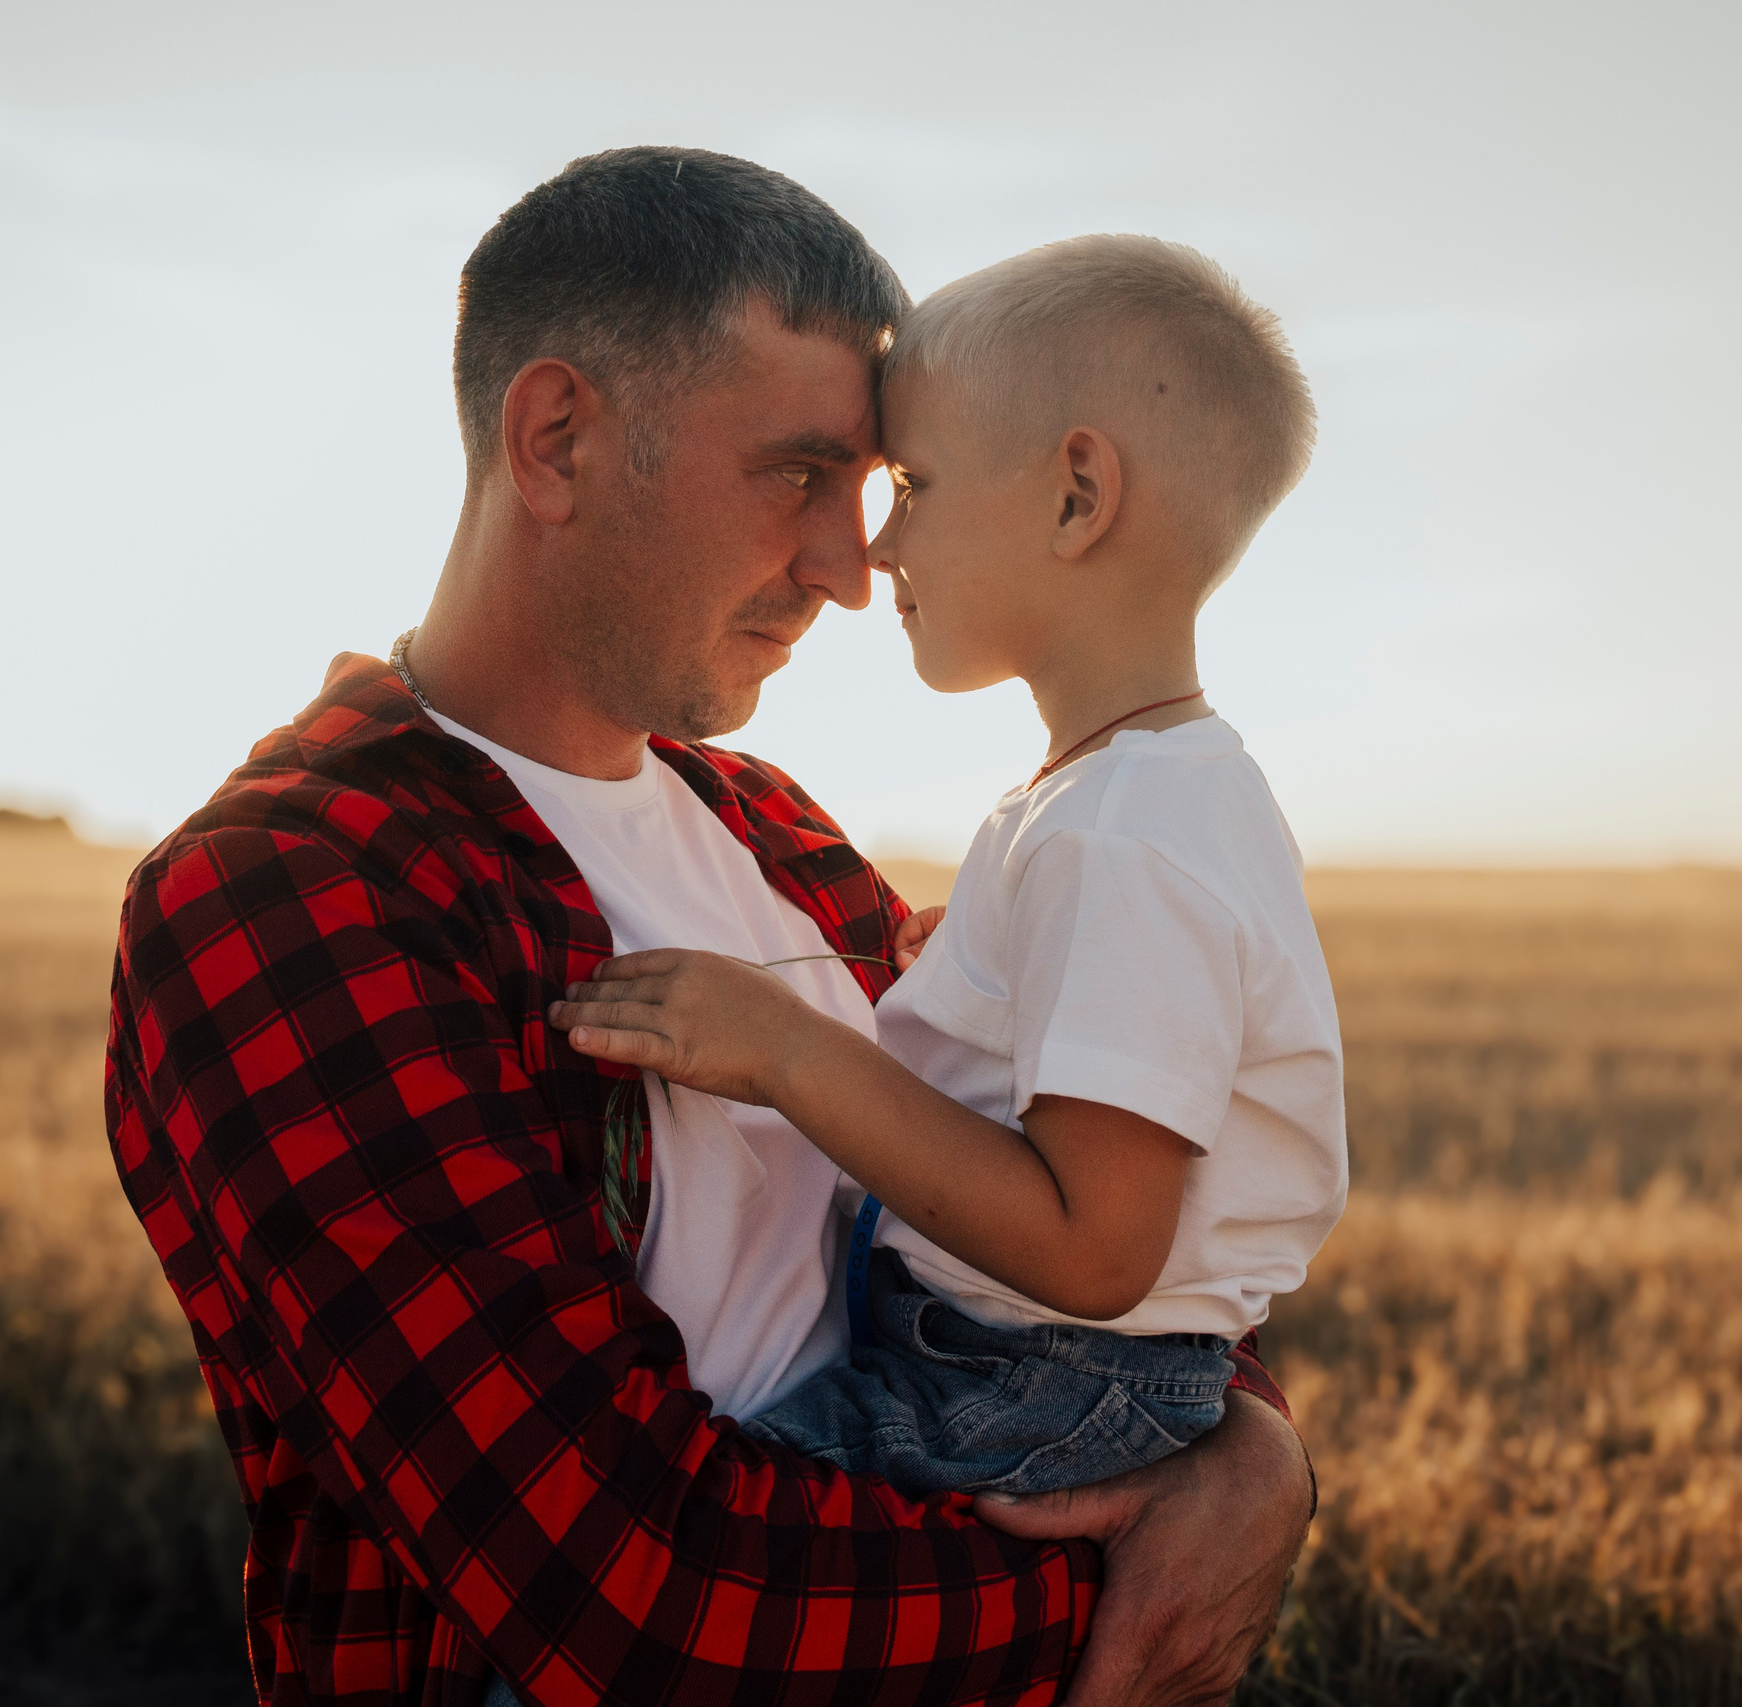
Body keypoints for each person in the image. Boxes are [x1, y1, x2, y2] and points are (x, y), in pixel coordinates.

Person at [105, 147, 1313, 1707]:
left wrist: (1250, 1450)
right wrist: (1129, 1576)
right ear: (557, 439)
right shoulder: (293, 892)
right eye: (800, 473)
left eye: (878, 491)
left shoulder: (779, 834)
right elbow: (635, 1605)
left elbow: (1085, 1211)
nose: (847, 569)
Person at [548, 236, 1347, 1501]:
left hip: (1019, 1372)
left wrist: (792, 1052)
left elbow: (1094, 1254)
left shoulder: (1119, 838)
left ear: (1078, 496)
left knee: (640, 1547)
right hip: (1032, 1365)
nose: (874, 553)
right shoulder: (1137, 801)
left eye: (912, 484)